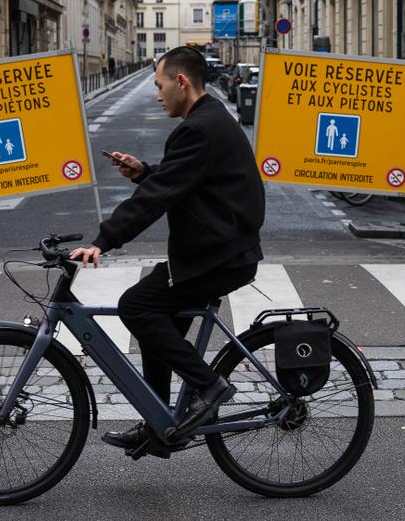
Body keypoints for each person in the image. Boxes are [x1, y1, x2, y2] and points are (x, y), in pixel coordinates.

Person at [70, 47, 265, 450]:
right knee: (156, 330)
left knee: (136, 306)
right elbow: (182, 180)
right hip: (220, 249)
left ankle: (209, 387)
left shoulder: (197, 128)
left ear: (181, 82)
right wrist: (145, 172)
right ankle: (160, 423)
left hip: (218, 255)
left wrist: (103, 240)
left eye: (159, 86)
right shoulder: (209, 120)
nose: (157, 94)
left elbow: (156, 199)